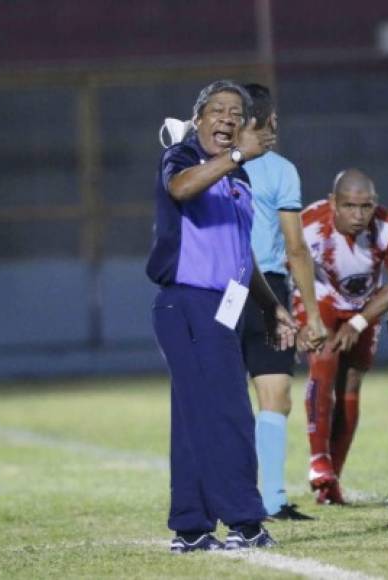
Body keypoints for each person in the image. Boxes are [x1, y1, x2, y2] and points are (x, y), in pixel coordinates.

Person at [146, 80, 297, 552]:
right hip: (189, 301)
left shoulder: (240, 178)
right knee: (229, 413)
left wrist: (271, 305)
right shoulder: (185, 157)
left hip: (221, 306)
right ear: (198, 118)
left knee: (196, 416)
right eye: (218, 110)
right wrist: (235, 158)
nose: (227, 119)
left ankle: (191, 528)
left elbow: (241, 254)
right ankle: (245, 521)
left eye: (236, 113)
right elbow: (180, 188)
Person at [295, 169, 388, 505]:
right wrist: (297, 317)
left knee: (351, 385)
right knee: (326, 353)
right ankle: (319, 459)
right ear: (333, 202)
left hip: (364, 305)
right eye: (349, 206)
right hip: (320, 297)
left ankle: (332, 484)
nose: (358, 215)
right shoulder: (309, 224)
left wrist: (360, 322)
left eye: (365, 206)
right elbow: (286, 261)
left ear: (375, 203)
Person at [241, 83, 328, 521]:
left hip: (214, 289)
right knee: (274, 396)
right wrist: (311, 315)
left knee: (222, 401)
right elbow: (296, 249)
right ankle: (272, 499)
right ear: (268, 120)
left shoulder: (204, 166)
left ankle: (228, 497)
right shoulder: (280, 170)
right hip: (267, 294)